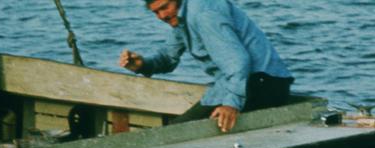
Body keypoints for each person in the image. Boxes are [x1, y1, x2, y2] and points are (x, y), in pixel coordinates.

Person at [119, 0, 293, 133]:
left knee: (179, 132)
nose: (162, 16)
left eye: (165, 7)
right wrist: (142, 65)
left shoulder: (204, 14)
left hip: (263, 83)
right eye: (156, 12)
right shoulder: (181, 16)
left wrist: (232, 104)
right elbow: (167, 58)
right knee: (178, 130)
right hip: (236, 82)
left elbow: (238, 61)